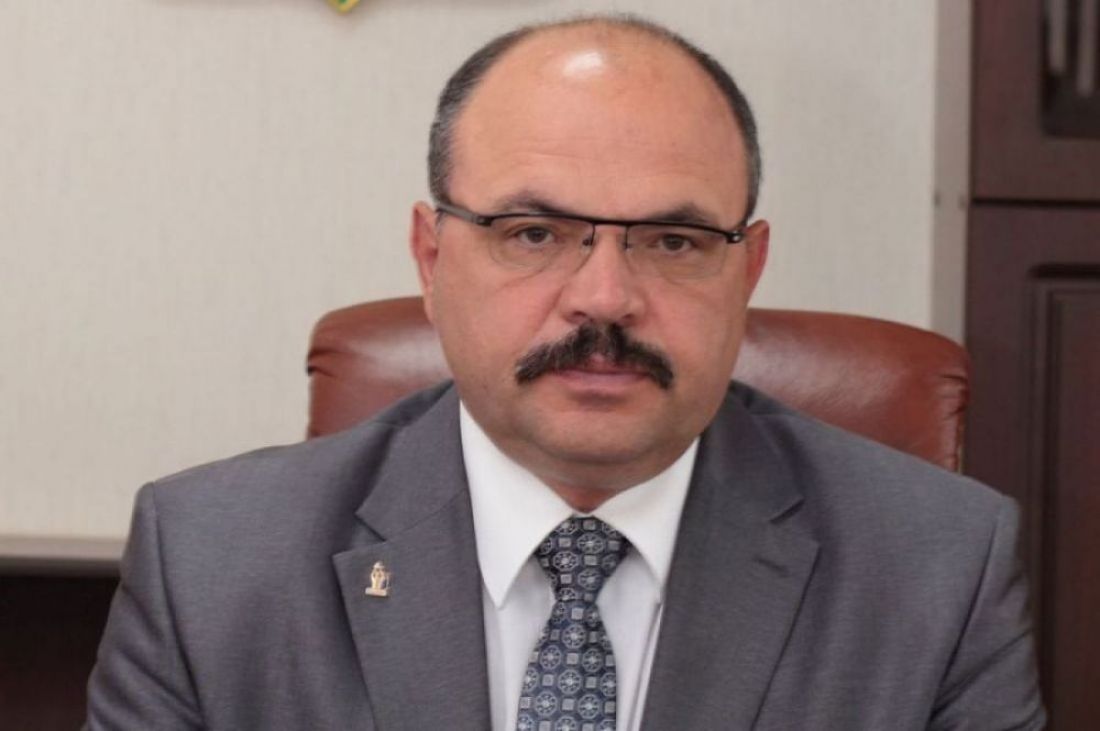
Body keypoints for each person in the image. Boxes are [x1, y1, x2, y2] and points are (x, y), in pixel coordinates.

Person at [85, 14, 1045, 731]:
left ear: (747, 270)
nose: (604, 298)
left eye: (673, 240)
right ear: (431, 259)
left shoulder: (935, 571)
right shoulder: (214, 565)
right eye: (534, 233)